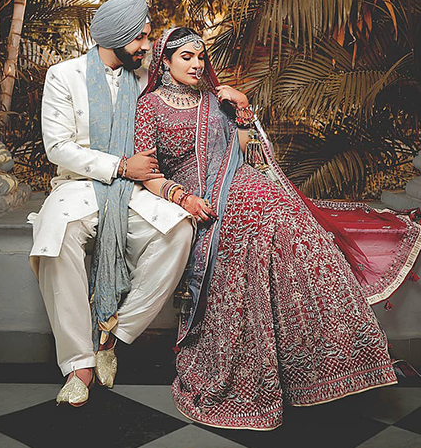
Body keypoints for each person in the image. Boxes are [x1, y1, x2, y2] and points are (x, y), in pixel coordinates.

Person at [134, 26, 421, 431]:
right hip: (201, 199)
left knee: (292, 225)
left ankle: (333, 361)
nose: (198, 64)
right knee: (260, 226)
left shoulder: (218, 99)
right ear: (164, 62)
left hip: (245, 184)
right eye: (187, 58)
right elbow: (148, 173)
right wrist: (182, 198)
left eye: (201, 56)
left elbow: (253, 154)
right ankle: (270, 371)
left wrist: (244, 109)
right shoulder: (149, 108)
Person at [28, 0, 194, 407]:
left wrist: (230, 93)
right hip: (80, 185)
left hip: (135, 190)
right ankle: (78, 364)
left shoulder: (147, 77)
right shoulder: (64, 76)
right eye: (140, 38)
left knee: (177, 231)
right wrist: (119, 165)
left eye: (148, 36)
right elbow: (58, 147)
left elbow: (198, 87)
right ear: (113, 38)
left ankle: (112, 337)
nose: (147, 46)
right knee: (55, 236)